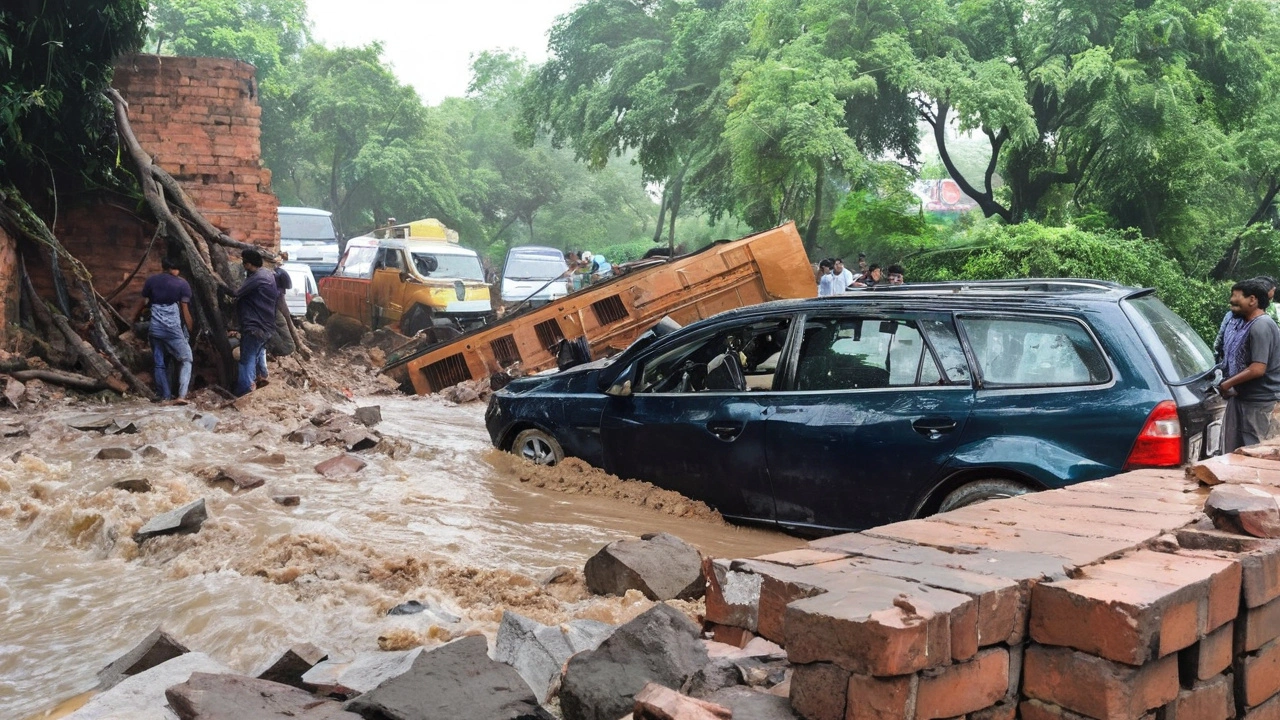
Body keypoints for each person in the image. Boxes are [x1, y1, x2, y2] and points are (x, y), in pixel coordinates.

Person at [1216, 279, 1280, 452]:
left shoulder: (1261, 325)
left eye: (1236, 296)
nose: (1231, 300)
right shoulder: (1241, 323)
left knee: (1255, 454)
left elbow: (1258, 368)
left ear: (1252, 300)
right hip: (1242, 398)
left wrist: (1227, 384)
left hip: (1259, 405)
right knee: (1233, 453)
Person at [138, 257, 194, 401]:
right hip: (173, 330)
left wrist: (133, 321)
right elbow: (184, 308)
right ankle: (182, 395)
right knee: (187, 359)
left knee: (160, 363)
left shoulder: (151, 281)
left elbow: (143, 303)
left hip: (155, 330)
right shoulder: (182, 283)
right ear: (173, 269)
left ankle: (165, 396)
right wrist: (190, 326)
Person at [230, 249, 280, 396]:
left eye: (244, 262)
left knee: (247, 359)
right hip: (266, 326)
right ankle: (261, 378)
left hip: (255, 326)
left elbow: (236, 293)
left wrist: (220, 285)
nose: (242, 265)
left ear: (249, 264)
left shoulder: (257, 278)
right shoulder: (267, 274)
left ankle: (245, 390)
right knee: (257, 354)